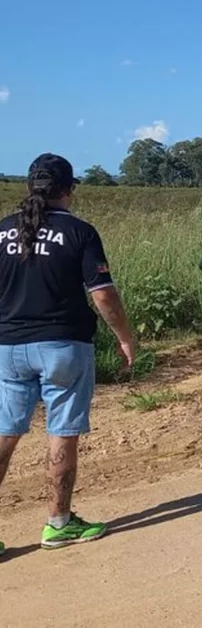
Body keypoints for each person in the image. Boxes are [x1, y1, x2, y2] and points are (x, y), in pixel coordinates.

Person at [0, 154, 135, 555]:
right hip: (63, 346)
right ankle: (58, 523)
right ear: (68, 189)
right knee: (61, 431)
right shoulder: (80, 232)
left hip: (8, 348)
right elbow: (103, 294)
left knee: (5, 432)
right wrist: (125, 337)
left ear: (30, 187)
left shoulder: (2, 231)